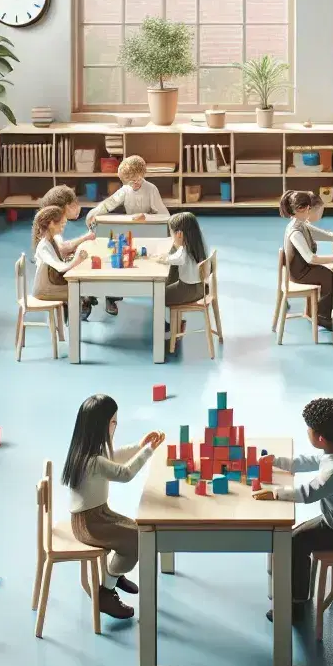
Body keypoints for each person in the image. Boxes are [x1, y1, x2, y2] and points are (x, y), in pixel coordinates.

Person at [253, 398, 333, 623]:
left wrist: (276, 492)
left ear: (319, 438)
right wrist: (278, 461)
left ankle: (295, 604)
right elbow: (308, 461)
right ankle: (294, 591)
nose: (307, 433)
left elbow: (308, 493)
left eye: (309, 430)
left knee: (293, 542)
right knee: (293, 537)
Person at [62, 394, 164, 619]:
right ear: (101, 425)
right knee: (138, 539)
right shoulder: (93, 461)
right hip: (90, 523)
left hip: (97, 515)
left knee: (135, 529)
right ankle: (106, 590)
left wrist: (140, 446)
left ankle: (116, 574)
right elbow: (124, 473)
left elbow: (113, 457)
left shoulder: (87, 452)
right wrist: (148, 451)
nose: (116, 426)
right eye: (113, 422)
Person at [86, 155, 170, 315]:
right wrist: (93, 213)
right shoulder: (126, 190)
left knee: (146, 262)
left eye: (137, 179)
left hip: (149, 232)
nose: (135, 183)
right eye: (130, 181)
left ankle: (154, 290)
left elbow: (165, 216)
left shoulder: (151, 189)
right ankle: (111, 294)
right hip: (132, 231)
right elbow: (109, 203)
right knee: (117, 258)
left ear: (143, 174)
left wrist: (147, 217)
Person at [280, 189, 333, 332]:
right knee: (331, 277)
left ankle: (319, 311)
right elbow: (311, 258)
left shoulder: (300, 224)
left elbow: (318, 234)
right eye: (308, 208)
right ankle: (322, 315)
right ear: (299, 209)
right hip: (299, 273)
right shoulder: (295, 232)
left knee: (328, 274)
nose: (309, 211)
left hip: (302, 268)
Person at [31, 204, 89, 321]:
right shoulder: (43, 246)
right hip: (44, 290)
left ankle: (71, 314)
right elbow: (60, 268)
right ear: (52, 223)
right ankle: (73, 329)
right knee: (78, 291)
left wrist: (71, 256)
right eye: (61, 224)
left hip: (50, 283)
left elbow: (58, 260)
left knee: (82, 289)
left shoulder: (51, 240)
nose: (63, 227)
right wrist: (77, 260)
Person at [161, 212, 208, 339]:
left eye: (172, 234)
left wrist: (162, 259)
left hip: (189, 289)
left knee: (159, 295)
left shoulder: (184, 250)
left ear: (180, 234)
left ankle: (169, 325)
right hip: (200, 287)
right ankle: (177, 322)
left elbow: (177, 258)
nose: (172, 237)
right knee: (169, 282)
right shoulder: (195, 244)